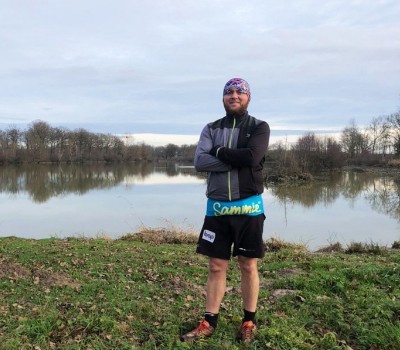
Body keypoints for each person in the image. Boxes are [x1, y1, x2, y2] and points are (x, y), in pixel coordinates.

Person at [180, 78, 270, 343]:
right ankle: (209, 321)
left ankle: (249, 321)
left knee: (247, 264)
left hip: (249, 208)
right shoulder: (211, 128)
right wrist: (236, 160)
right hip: (217, 209)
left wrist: (219, 152)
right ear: (223, 98)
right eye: (229, 92)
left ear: (248, 97)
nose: (234, 96)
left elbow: (252, 158)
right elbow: (199, 161)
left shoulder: (259, 127)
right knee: (216, 266)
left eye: (239, 92)